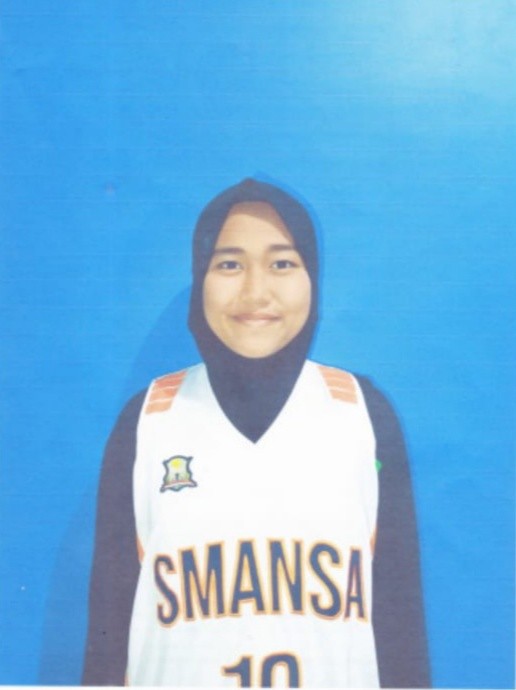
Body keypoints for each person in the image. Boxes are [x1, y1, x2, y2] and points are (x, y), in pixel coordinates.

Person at [83, 178, 430, 687]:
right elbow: (107, 632)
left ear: (313, 277)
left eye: (282, 263)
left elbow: (401, 629)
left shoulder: (362, 412)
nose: (255, 291)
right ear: (200, 277)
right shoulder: (149, 419)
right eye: (229, 264)